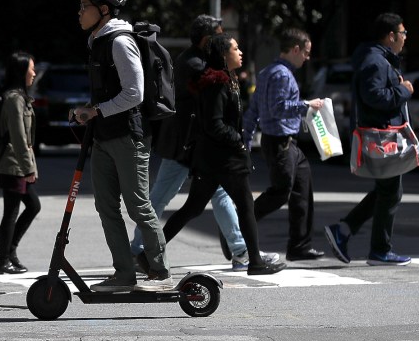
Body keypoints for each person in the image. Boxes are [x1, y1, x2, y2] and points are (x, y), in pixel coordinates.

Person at [132, 15, 274, 272]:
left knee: (205, 203)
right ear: (213, 43)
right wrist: (239, 144)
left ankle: (241, 250)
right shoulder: (205, 71)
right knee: (164, 197)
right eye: (225, 40)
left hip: (202, 149)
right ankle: (139, 251)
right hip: (189, 146)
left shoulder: (211, 69)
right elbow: (213, 121)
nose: (236, 49)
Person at [71, 0, 171, 292]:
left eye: (84, 6)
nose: (80, 12)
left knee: (138, 205)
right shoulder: (96, 40)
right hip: (102, 136)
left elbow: (134, 93)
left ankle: (160, 271)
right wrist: (88, 109)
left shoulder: (120, 41)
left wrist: (97, 110)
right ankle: (123, 273)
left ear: (103, 9)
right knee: (105, 207)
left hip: (129, 136)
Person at [157, 34, 286, 275]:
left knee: (193, 208)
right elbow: (214, 124)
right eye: (235, 49)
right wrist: (237, 141)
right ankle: (255, 262)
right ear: (223, 55)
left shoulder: (226, 80)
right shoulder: (217, 83)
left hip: (213, 159)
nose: (241, 53)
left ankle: (149, 254)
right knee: (245, 206)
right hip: (224, 159)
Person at [325, 13, 413, 266]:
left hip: (383, 134)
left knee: (387, 191)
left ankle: (344, 231)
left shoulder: (377, 58)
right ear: (391, 36)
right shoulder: (375, 61)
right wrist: (403, 90)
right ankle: (379, 250)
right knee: (391, 191)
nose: (405, 38)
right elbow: (375, 97)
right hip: (382, 136)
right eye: (403, 33)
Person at [243, 28, 325, 261]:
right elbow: (276, 109)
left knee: (302, 189)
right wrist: (306, 105)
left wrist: (247, 140)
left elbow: (255, 109)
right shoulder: (281, 75)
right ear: (295, 49)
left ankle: (299, 245)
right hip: (280, 141)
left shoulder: (269, 71)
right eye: (306, 53)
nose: (307, 58)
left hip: (286, 142)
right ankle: (241, 227)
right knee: (280, 192)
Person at [0, 51, 41, 275]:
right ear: (22, 71)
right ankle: (3, 260)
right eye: (31, 68)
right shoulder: (14, 99)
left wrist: (31, 166)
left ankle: (9, 253)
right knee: (11, 212)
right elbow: (19, 137)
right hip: (11, 164)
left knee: (32, 206)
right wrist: (29, 167)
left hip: (18, 163)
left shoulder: (20, 97)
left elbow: (26, 141)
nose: (34, 73)